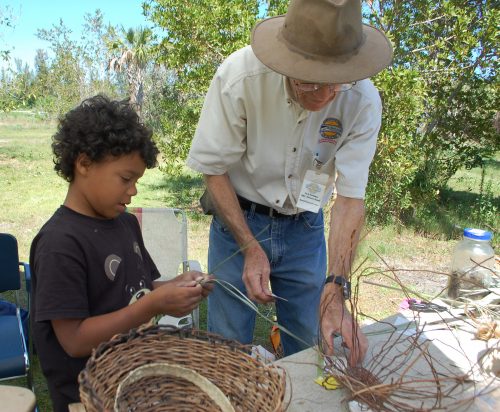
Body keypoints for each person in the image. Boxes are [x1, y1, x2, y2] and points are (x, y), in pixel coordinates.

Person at [187, 0, 392, 365]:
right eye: (310, 81)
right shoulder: (240, 76)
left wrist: (336, 289)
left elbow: (349, 198)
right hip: (238, 219)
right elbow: (213, 169)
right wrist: (249, 247)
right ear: (285, 60)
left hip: (305, 229)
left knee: (313, 345)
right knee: (228, 345)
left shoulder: (362, 99)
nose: (325, 96)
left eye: (337, 84)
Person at [30, 95, 212, 411]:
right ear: (84, 163)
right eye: (126, 178)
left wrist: (176, 286)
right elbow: (73, 341)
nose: (133, 190)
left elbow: (138, 289)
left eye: (137, 180)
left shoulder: (125, 224)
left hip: (134, 382)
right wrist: (153, 306)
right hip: (87, 397)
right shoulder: (59, 244)